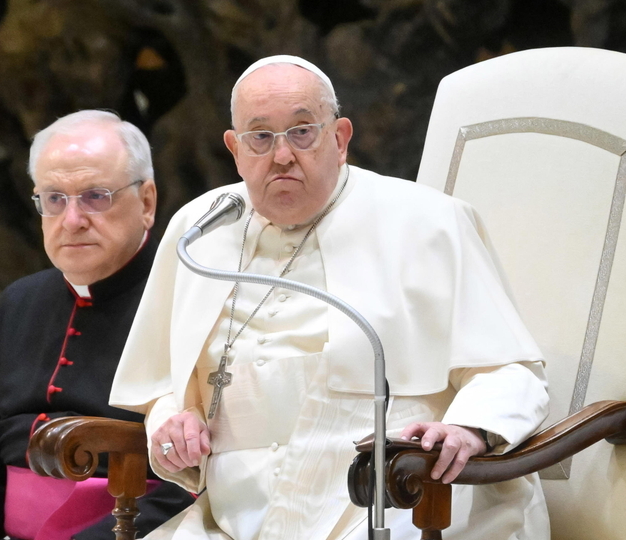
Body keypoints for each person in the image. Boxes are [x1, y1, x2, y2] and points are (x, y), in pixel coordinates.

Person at [109, 56, 551, 539]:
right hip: (237, 516)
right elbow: (161, 386)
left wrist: (467, 428)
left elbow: (509, 371)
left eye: (302, 132)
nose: (281, 155)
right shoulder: (201, 229)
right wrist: (172, 424)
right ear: (234, 149)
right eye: (260, 137)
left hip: (396, 500)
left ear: (340, 139)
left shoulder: (429, 222)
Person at [0, 110, 194, 540]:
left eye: (95, 196)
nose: (72, 220)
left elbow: (194, 482)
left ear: (146, 202)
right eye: (54, 199)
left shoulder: (190, 300)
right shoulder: (21, 301)